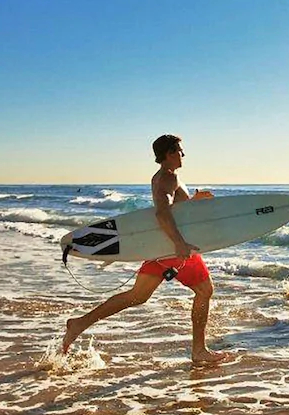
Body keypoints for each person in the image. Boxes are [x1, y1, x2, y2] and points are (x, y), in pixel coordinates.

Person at [62, 134, 227, 365]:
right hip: (174, 248)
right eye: (180, 150)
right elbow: (162, 212)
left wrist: (194, 201)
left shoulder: (159, 177)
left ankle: (80, 323)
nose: (183, 154)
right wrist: (179, 243)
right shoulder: (169, 178)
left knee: (137, 296)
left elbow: (173, 210)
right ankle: (198, 351)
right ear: (169, 154)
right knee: (204, 291)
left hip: (160, 246)